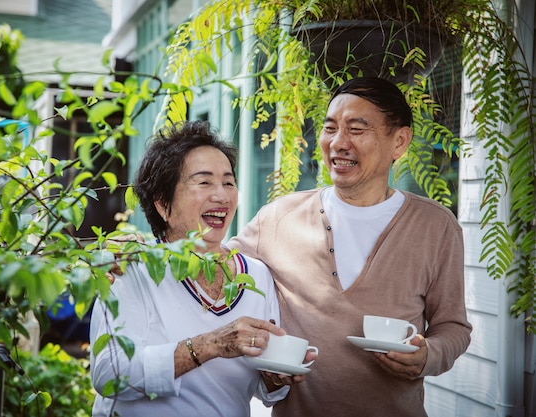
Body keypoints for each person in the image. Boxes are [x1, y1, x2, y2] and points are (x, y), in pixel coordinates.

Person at [229, 77, 472, 417]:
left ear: (399, 142)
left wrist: (427, 355)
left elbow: (453, 327)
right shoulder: (279, 218)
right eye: (330, 128)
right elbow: (216, 271)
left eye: (356, 130)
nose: (337, 143)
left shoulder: (435, 226)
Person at [89, 120, 311, 417]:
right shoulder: (132, 267)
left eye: (229, 182)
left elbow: (264, 389)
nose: (222, 195)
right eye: (204, 182)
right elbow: (109, 374)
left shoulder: (256, 275)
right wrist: (210, 345)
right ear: (163, 204)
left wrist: (273, 378)